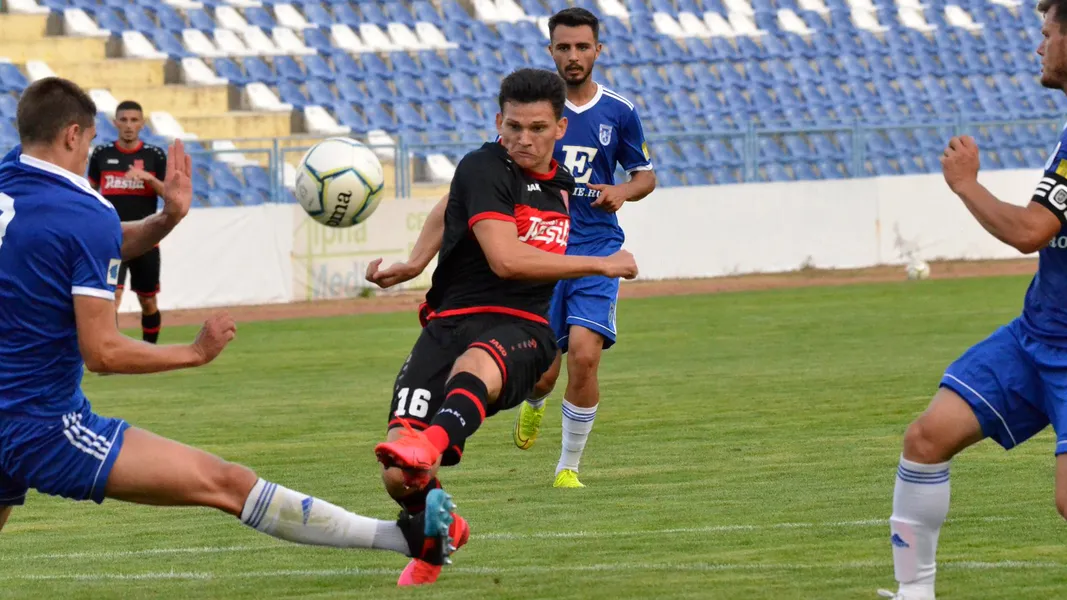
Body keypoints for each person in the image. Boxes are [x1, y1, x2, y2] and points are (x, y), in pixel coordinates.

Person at [0, 77, 460, 570]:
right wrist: (193, 352)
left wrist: (166, 220)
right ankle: (406, 538)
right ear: (73, 135)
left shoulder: (10, 177)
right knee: (225, 483)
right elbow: (103, 352)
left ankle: (410, 539)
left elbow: (83, 246)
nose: (89, 152)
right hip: (41, 425)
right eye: (91, 140)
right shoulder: (84, 211)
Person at [364, 67, 639, 586]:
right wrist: (600, 263)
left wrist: (417, 260)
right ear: (498, 122)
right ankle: (441, 530)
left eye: (537, 128)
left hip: (523, 328)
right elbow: (504, 257)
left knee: (474, 367)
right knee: (398, 473)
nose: (523, 139)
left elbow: (471, 227)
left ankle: (435, 442)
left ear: (560, 128)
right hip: (448, 322)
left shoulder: (561, 184)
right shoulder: (483, 165)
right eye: (513, 126)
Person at [879, 4, 1067, 598]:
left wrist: (966, 184)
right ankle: (914, 594)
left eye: (1047, 34)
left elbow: (1031, 231)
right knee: (926, 439)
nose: (1038, 47)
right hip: (1037, 335)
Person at [511, 7, 657, 489]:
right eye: (563, 47)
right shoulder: (534, 114)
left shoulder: (619, 111)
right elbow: (505, 170)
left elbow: (645, 175)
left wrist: (622, 191)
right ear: (550, 51)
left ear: (598, 50)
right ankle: (535, 400)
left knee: (585, 354)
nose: (573, 56)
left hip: (598, 246)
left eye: (582, 46)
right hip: (544, 248)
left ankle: (568, 467)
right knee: (542, 374)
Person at [87, 100, 166, 343]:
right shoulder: (102, 154)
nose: (129, 125)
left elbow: (169, 194)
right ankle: (111, 351)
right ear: (115, 123)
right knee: (112, 299)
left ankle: (150, 351)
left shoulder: (154, 156)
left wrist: (148, 179)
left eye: (134, 120)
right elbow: (89, 192)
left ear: (142, 124)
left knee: (148, 301)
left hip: (146, 242)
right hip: (114, 242)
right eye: (124, 120)